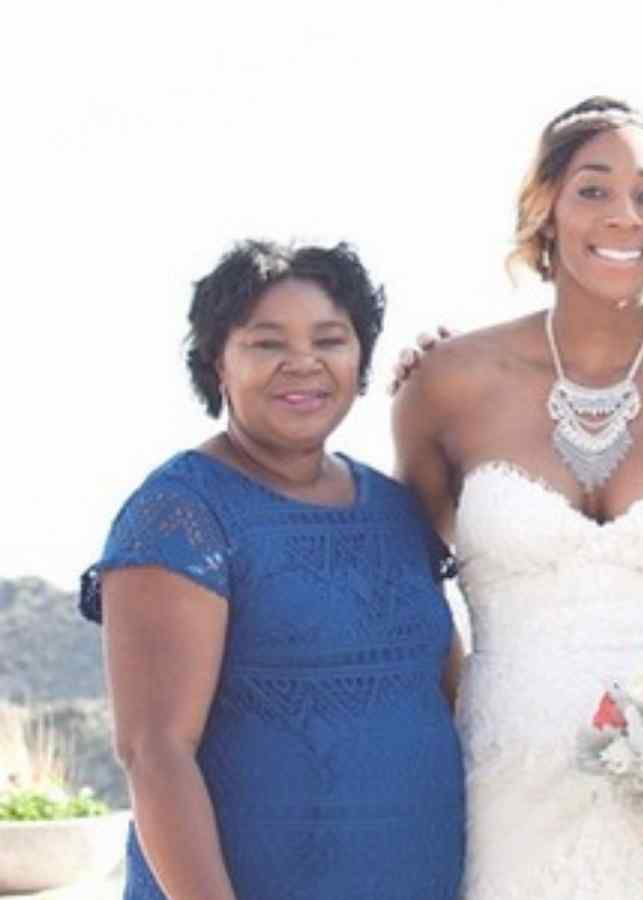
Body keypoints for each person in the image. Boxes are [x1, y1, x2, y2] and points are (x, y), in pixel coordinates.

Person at [391, 96, 643, 899]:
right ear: (544, 209)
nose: (624, 215)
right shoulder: (445, 386)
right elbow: (409, 606)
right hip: (498, 791)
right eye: (594, 189)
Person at [80, 242, 465, 899]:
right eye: (266, 343)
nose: (303, 363)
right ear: (216, 362)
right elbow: (155, 753)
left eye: (331, 339)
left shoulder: (399, 511)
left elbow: (450, 696)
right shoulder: (180, 514)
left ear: (362, 360)